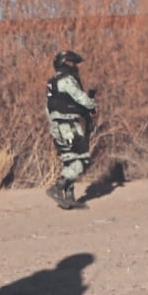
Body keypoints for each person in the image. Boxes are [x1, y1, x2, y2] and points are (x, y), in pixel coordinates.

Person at [45, 50, 97, 209]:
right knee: (82, 160)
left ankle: (69, 198)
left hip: (57, 126)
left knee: (69, 161)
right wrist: (93, 105)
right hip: (68, 125)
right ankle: (57, 188)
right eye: (74, 64)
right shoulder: (67, 81)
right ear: (67, 64)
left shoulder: (52, 82)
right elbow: (82, 99)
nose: (76, 68)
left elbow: (49, 108)